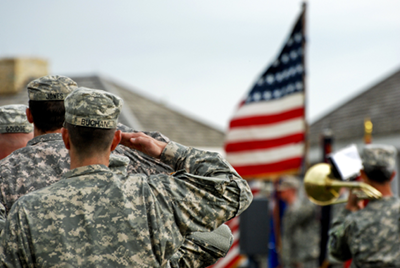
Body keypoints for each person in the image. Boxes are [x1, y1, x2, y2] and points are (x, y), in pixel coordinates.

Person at [0, 87, 252, 267]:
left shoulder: (27, 211)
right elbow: (234, 190)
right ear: (116, 141)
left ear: (66, 138)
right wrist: (167, 151)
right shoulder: (155, 196)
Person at [328, 144, 400, 267]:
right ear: (393, 175)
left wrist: (349, 208)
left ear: (362, 173)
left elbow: (335, 251)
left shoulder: (353, 221)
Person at [278, 175, 320, 268]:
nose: (280, 194)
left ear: (290, 190)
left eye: (283, 191)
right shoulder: (289, 210)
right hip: (294, 257)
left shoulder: (304, 207)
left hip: (306, 256)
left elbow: (301, 214)